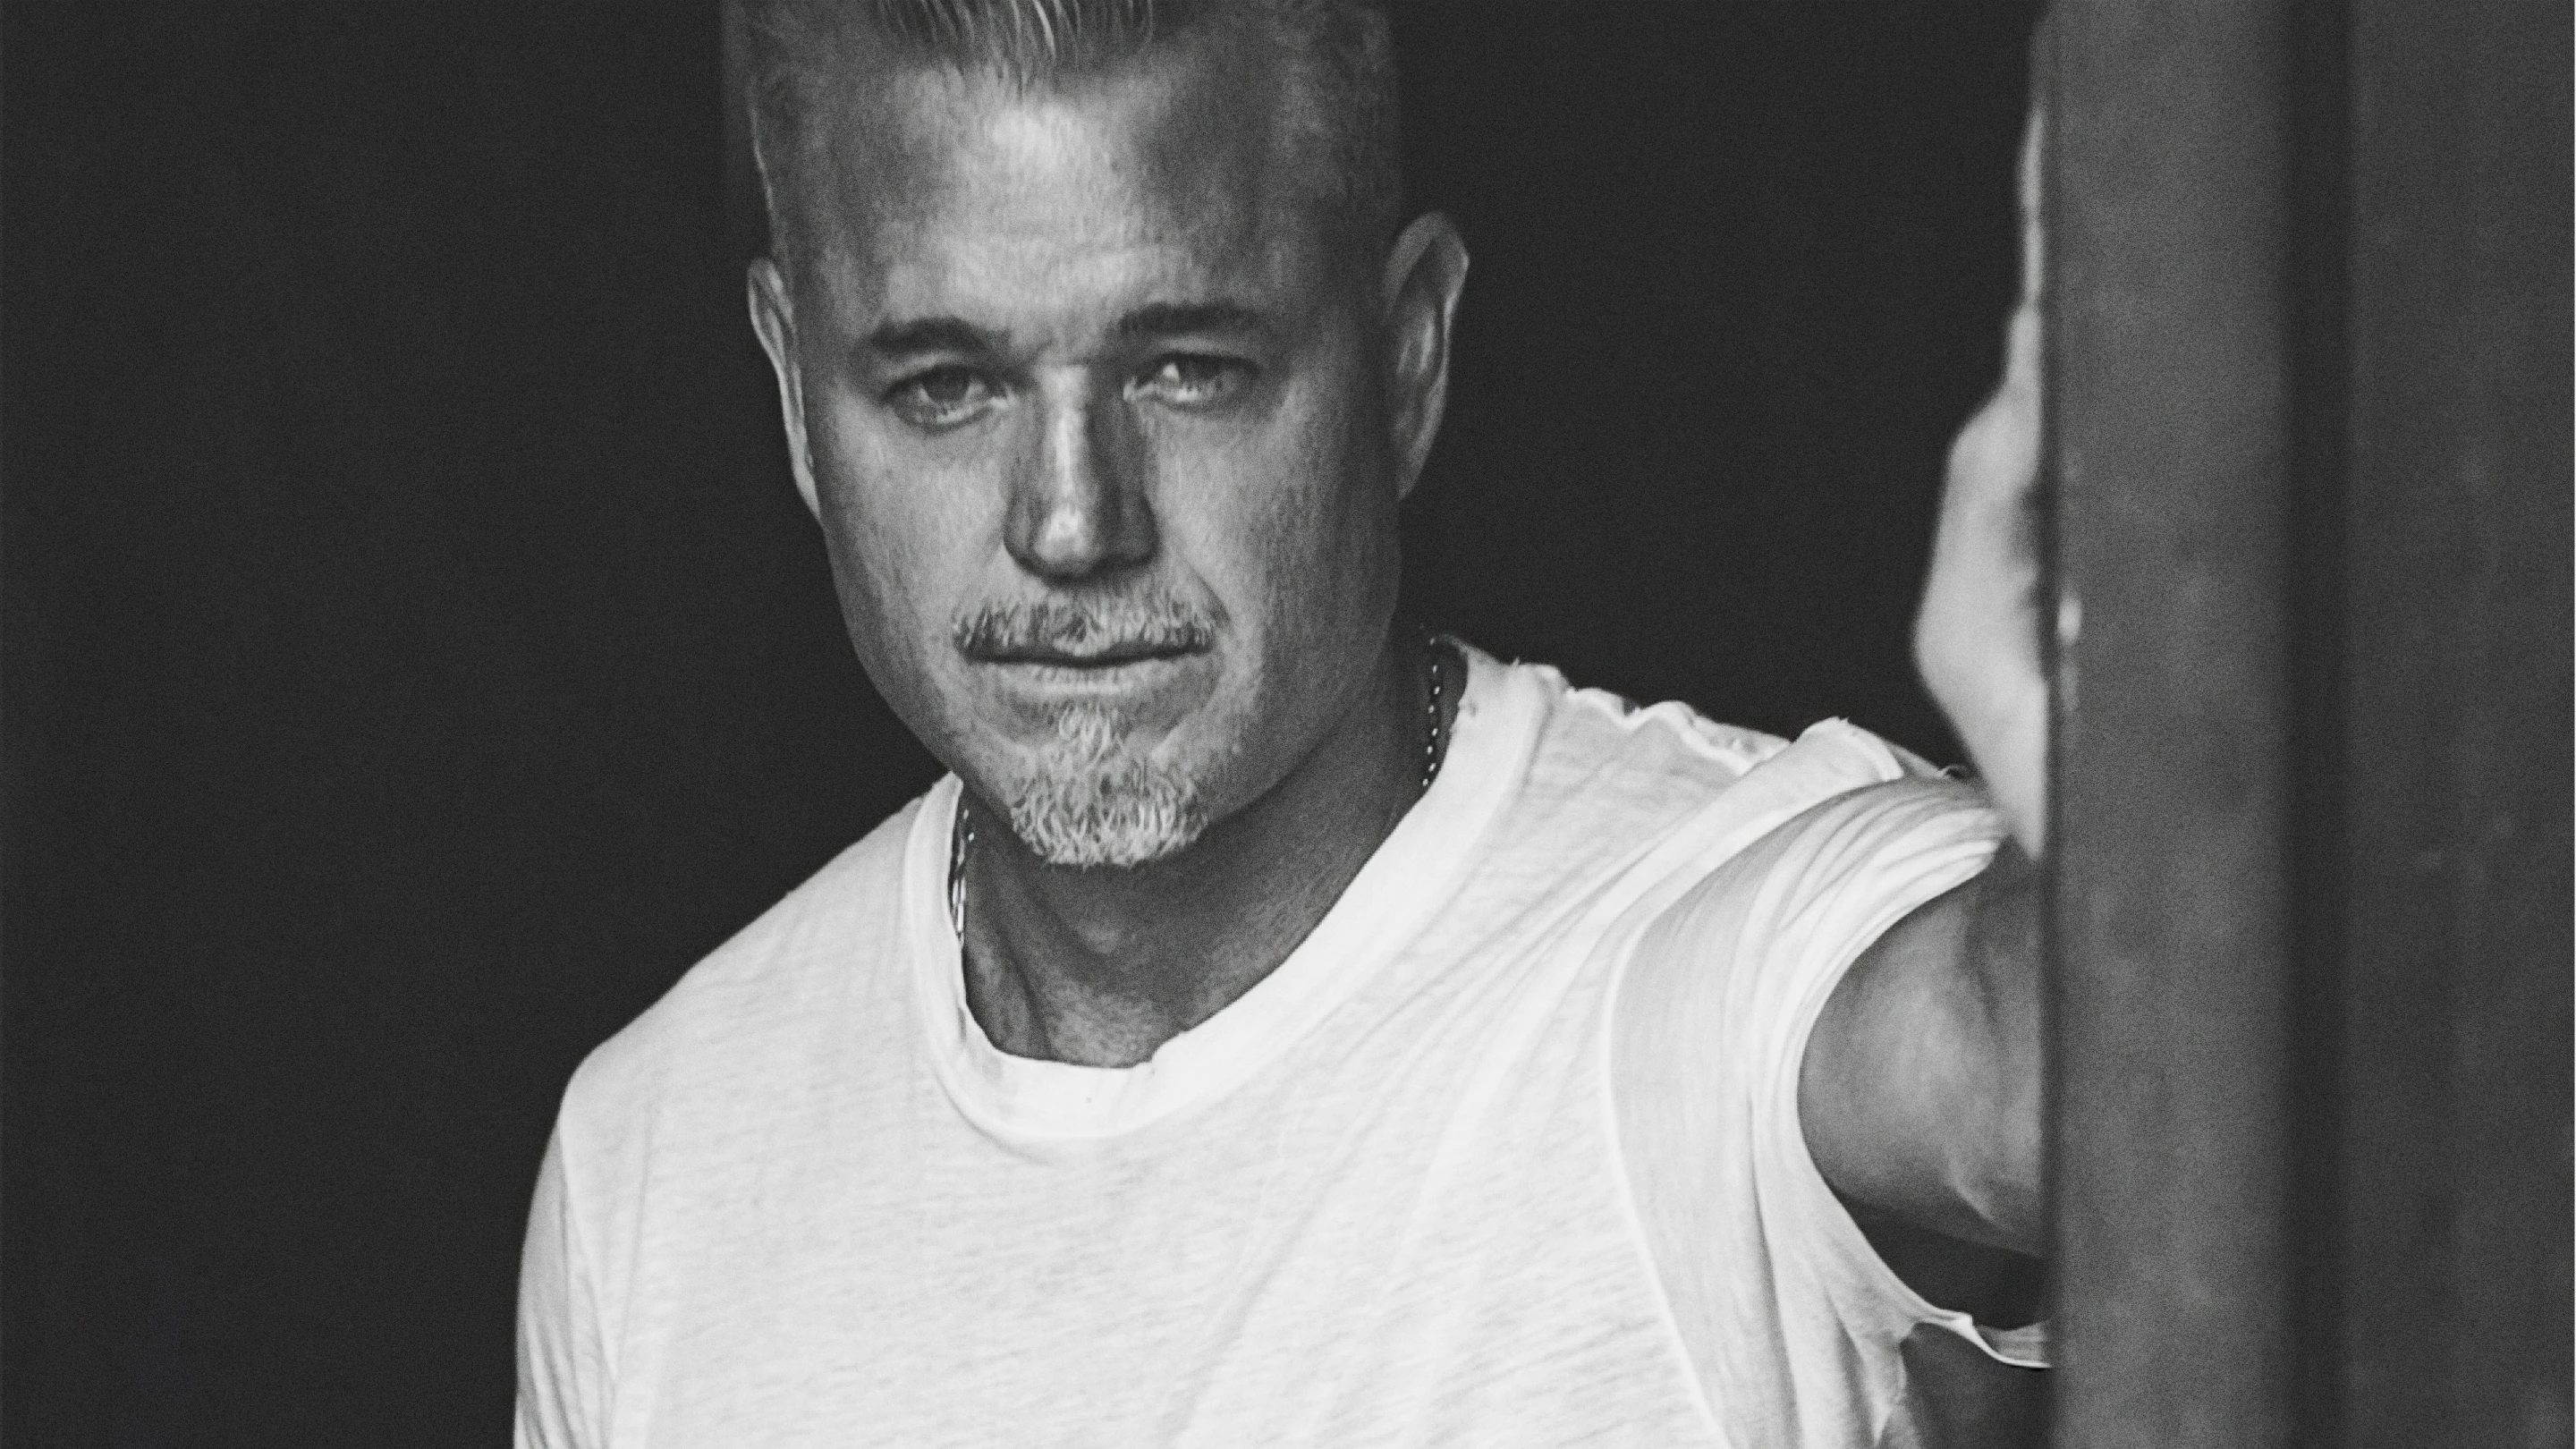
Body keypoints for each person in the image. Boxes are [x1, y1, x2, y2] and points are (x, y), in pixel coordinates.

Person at [516, 2, 2053, 1444]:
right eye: (945, 386)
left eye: (1187, 370)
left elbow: (2039, 1073)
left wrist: (2090, 722)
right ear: (797, 396)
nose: (1071, 521)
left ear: (1406, 356)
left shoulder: (1720, 958)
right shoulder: (650, 1166)